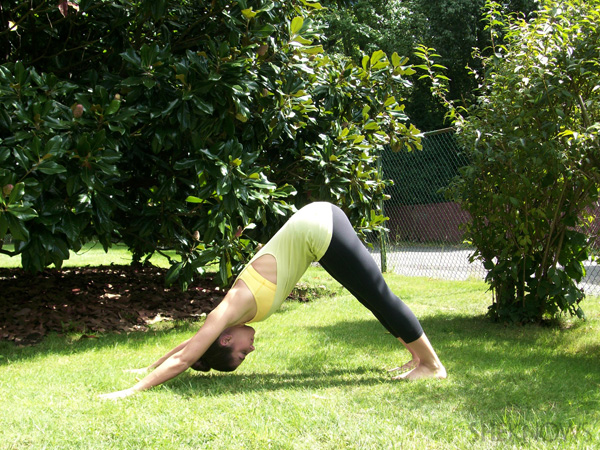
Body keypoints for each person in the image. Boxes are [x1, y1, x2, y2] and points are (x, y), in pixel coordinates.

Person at [99, 202, 446, 399]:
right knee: (375, 300)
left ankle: (432, 365)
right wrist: (144, 368)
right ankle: (417, 357)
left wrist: (130, 390)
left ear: (226, 339)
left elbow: (186, 357)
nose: (251, 350)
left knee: (381, 296)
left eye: (241, 353)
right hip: (318, 229)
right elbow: (190, 347)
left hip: (319, 229)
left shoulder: (228, 308)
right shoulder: (222, 323)